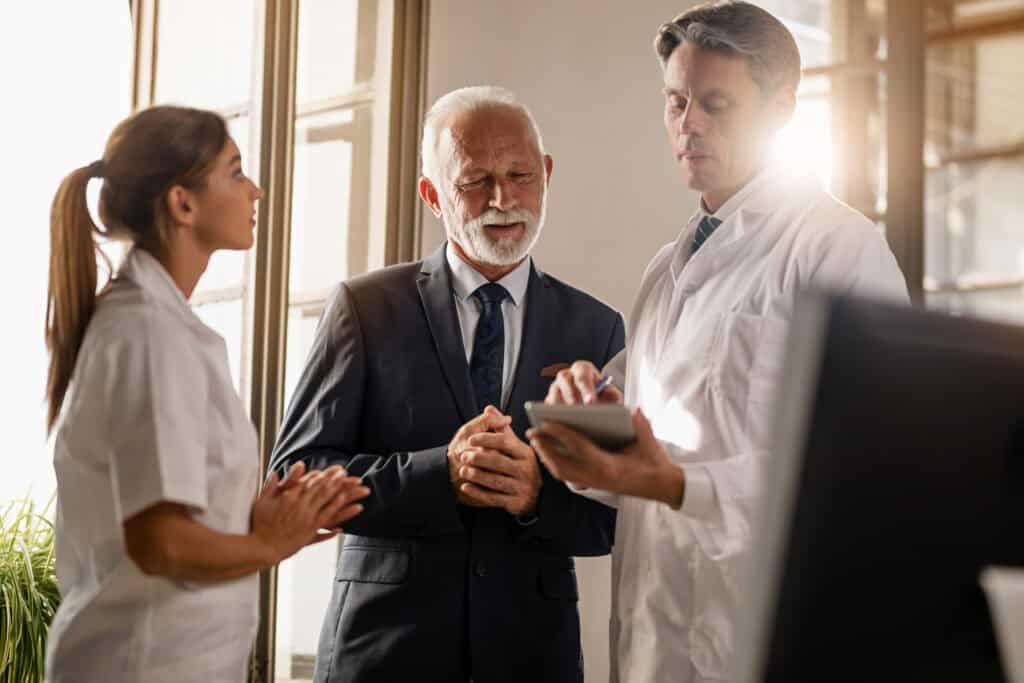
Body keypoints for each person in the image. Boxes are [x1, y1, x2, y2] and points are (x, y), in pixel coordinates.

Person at [528, 3, 909, 681]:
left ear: (782, 108)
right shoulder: (665, 270)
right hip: (652, 646)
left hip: (768, 642)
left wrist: (676, 482)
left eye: (716, 104)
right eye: (675, 102)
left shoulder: (839, 249)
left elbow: (866, 472)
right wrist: (587, 415)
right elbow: (640, 459)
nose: (688, 125)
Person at [269, 86, 623, 683]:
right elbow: (294, 476)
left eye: (520, 174)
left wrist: (536, 495)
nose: (503, 198)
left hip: (530, 657)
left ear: (548, 174)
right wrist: (440, 473)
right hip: (383, 654)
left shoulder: (594, 327)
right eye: (474, 181)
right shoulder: (365, 306)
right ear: (433, 195)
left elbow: (608, 521)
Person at [43, 105, 370, 682]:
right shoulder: (148, 332)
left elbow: (164, 515)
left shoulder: (163, 325)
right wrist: (273, 540)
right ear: (183, 203)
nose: (257, 190)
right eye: (237, 171)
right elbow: (160, 544)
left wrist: (246, 519)